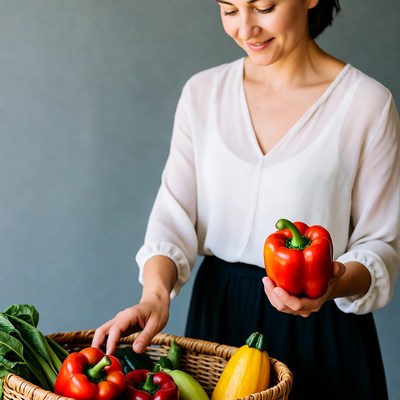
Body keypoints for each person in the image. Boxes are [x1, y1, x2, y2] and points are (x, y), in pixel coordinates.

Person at [92, 1, 400, 399]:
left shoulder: (367, 102)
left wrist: (331, 285)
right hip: (221, 317)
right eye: (229, 9)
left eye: (264, 7)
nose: (246, 28)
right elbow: (174, 216)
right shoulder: (202, 94)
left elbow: (381, 244)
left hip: (323, 327)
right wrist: (154, 296)